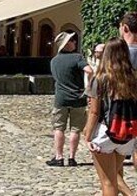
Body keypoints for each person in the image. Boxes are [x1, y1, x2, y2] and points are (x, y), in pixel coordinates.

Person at [84, 39, 137, 196]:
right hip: (127, 134)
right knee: (114, 176)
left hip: (105, 133)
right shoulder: (133, 78)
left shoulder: (101, 79)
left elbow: (94, 112)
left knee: (108, 182)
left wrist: (87, 136)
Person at [48, 31, 93, 167]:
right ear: (66, 44)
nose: (74, 42)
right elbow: (89, 70)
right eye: (72, 40)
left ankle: (59, 157)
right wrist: (89, 86)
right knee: (75, 129)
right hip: (78, 98)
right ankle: (72, 158)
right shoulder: (77, 57)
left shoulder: (54, 61)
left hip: (61, 98)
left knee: (59, 128)